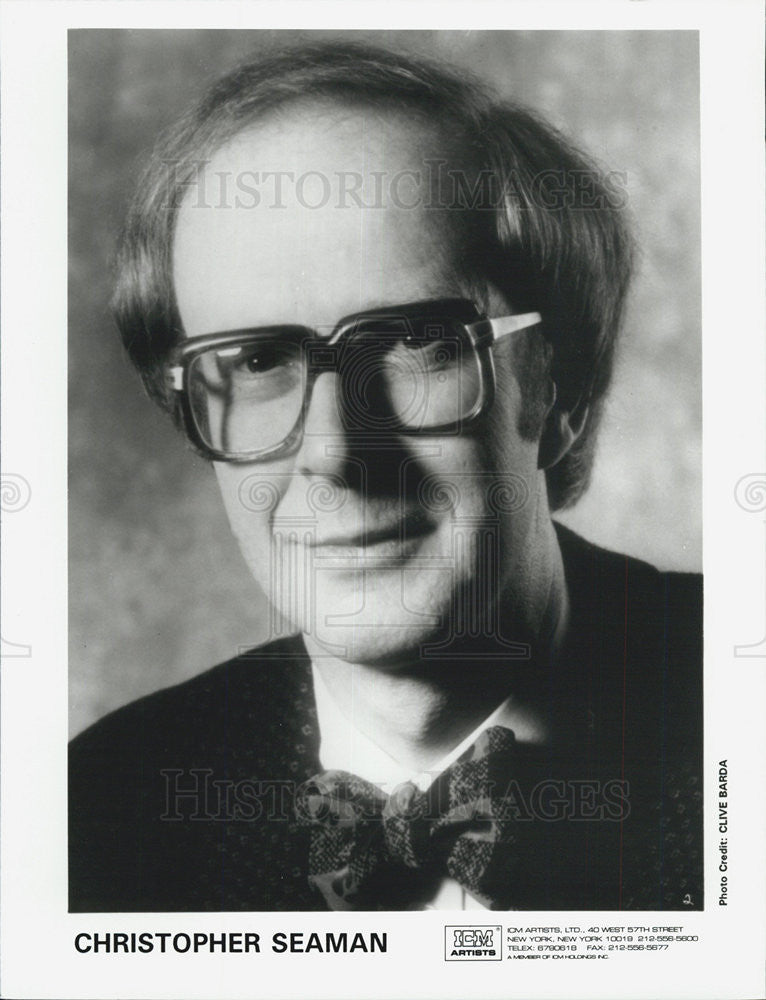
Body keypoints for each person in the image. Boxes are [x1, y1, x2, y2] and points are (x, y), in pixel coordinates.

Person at [69, 40, 702, 912]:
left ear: (558, 391)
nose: (334, 452)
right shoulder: (96, 816)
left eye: (413, 345)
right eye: (255, 361)